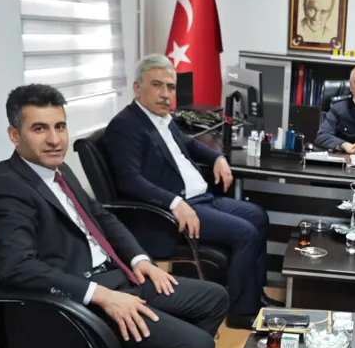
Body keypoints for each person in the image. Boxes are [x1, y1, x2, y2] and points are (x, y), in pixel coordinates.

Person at [0, 84, 230, 348]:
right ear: (15, 135)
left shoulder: (59, 172)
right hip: (76, 306)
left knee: (214, 298)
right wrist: (101, 296)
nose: (55, 139)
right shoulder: (5, 186)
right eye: (40, 129)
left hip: (117, 278)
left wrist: (142, 261)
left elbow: (103, 219)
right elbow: (16, 267)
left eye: (60, 126)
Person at [103, 55, 269, 328]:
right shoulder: (126, 126)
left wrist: (217, 157)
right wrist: (174, 202)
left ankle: (255, 296)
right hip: (173, 213)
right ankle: (242, 312)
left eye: (170, 87)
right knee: (245, 232)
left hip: (201, 200)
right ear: (137, 88)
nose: (165, 94)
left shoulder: (162, 119)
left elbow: (190, 145)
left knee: (258, 216)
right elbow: (128, 180)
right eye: (157, 85)